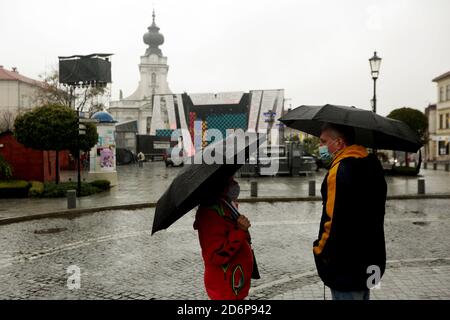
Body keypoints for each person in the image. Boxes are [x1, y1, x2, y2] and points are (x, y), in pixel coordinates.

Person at [313, 123, 387, 300]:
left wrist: (319, 250)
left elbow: (331, 220)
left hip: (344, 265)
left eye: (323, 141)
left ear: (338, 143)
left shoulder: (339, 169)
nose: (320, 146)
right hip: (372, 259)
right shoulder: (373, 165)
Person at [193, 177, 254, 300]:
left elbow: (238, 235)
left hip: (235, 284)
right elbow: (217, 255)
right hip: (225, 287)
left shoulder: (225, 205)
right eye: (229, 180)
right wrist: (240, 230)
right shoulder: (209, 215)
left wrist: (242, 228)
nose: (234, 184)